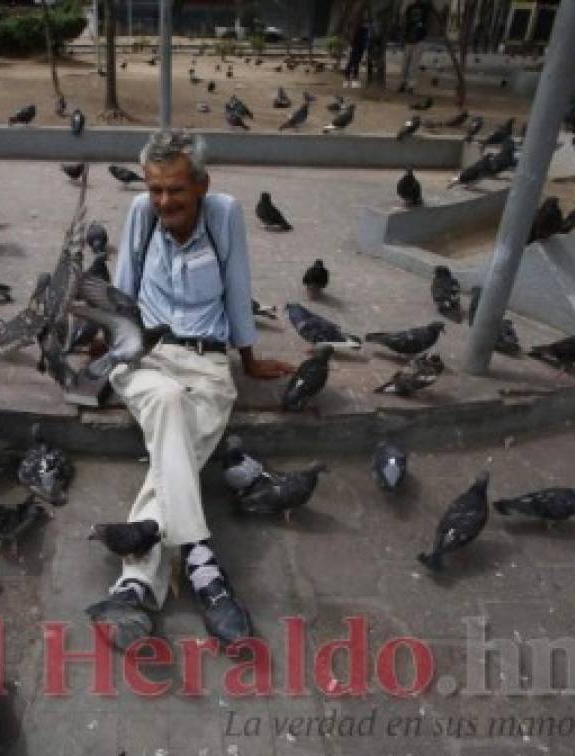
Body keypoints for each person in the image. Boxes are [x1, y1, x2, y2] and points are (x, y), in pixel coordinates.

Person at [86, 130, 296, 650]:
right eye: (155, 188)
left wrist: (249, 360)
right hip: (146, 357)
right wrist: (101, 344)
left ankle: (136, 584)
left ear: (202, 185)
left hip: (206, 364)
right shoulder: (141, 214)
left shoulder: (224, 214)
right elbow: (123, 290)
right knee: (166, 399)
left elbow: (239, 286)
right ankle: (202, 560)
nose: (163, 202)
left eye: (175, 190)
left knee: (175, 426)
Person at [399, 0, 432, 93]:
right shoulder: (410, 8)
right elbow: (405, 22)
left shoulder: (425, 8)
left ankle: (410, 85)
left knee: (414, 64)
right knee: (405, 63)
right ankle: (403, 83)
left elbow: (428, 21)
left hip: (419, 39)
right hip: (409, 39)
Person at [343, 10, 371, 88]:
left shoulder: (364, 23)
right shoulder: (354, 19)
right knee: (352, 61)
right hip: (355, 42)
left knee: (357, 61)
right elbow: (349, 30)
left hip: (360, 41)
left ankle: (354, 79)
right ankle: (347, 79)